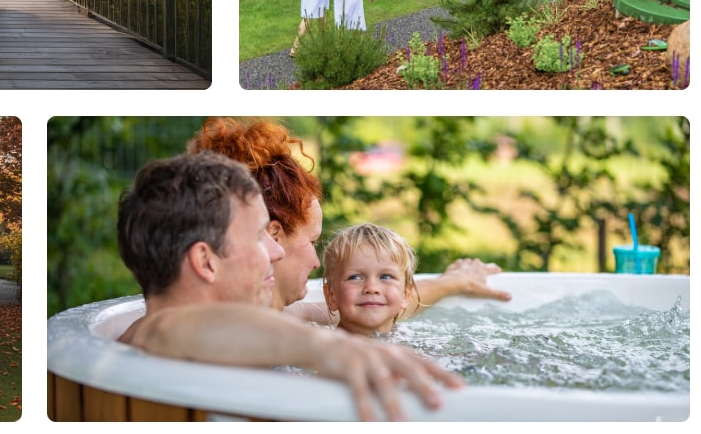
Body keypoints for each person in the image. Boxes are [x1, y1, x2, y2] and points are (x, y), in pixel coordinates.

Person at [116, 151, 463, 422]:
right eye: (258, 236)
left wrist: (450, 283)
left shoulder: (256, 332)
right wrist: (327, 347)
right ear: (206, 261)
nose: (276, 250)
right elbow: (178, 328)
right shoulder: (154, 333)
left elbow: (373, 305)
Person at [186, 117, 512, 326]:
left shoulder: (286, 317)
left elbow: (376, 308)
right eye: (311, 242)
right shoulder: (252, 328)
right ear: (272, 238)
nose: (316, 261)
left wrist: (451, 282)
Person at [321, 223, 418, 336]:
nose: (372, 288)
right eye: (355, 277)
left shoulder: (412, 341)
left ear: (406, 295)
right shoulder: (324, 348)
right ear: (331, 296)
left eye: (386, 276)